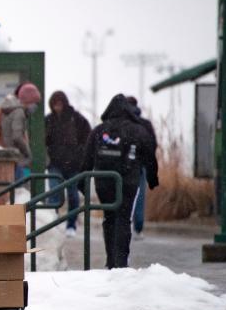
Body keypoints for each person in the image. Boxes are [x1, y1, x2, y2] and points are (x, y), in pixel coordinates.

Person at [80, 94, 159, 269]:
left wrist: (82, 186)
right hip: (128, 181)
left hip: (104, 182)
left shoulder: (99, 130)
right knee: (123, 219)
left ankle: (111, 260)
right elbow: (150, 156)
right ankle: (121, 262)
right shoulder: (138, 130)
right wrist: (153, 179)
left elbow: (86, 160)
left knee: (109, 218)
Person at [45, 90, 92, 237]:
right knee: (54, 193)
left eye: (59, 104)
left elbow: (88, 138)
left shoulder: (77, 119)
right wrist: (47, 158)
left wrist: (80, 156)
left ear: (64, 104)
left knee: (73, 195)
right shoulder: (48, 120)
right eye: (54, 104)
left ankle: (71, 225)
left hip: (73, 165)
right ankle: (53, 221)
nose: (57, 107)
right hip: (54, 164)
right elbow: (43, 141)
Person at [125, 96, 159, 240]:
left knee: (122, 197)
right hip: (140, 166)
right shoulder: (145, 124)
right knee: (138, 198)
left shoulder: (121, 124)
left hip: (122, 167)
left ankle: (123, 226)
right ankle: (138, 229)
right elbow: (152, 145)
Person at [0, 82, 41, 180]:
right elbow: (17, 136)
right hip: (18, 158)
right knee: (21, 190)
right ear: (28, 101)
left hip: (11, 157)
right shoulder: (19, 112)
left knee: (15, 190)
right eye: (35, 103)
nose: (35, 107)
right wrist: (27, 152)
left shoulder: (10, 110)